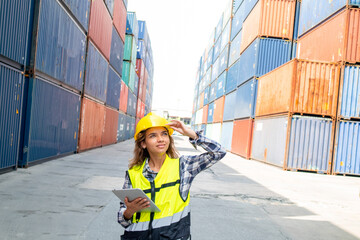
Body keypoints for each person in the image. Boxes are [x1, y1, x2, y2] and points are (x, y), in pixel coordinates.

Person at [118, 112, 226, 239]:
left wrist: (192, 134)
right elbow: (122, 220)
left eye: (164, 134)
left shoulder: (183, 167)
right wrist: (129, 212)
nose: (161, 139)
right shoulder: (133, 174)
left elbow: (218, 152)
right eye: (153, 136)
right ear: (143, 143)